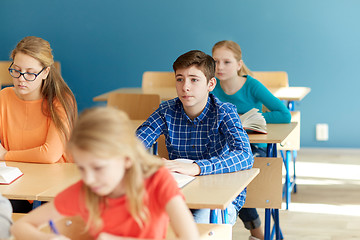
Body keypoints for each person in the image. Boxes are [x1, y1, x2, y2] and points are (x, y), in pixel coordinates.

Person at [11, 107, 199, 240]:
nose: (89, 179)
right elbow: (21, 226)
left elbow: (190, 237)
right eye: (82, 168)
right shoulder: (86, 190)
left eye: (98, 168)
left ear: (126, 159)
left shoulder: (157, 181)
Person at [136, 50, 254, 225]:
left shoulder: (225, 111)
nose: (185, 87)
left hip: (218, 197)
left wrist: (197, 167)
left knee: (198, 227)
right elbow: (135, 144)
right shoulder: (166, 110)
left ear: (211, 84)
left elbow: (245, 155)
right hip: (178, 192)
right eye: (180, 79)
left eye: (194, 79)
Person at [212, 40, 291, 240]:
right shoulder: (211, 86)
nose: (220, 67)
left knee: (237, 176)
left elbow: (284, 114)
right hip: (226, 146)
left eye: (226, 62)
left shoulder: (252, 85)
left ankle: (256, 231)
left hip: (255, 146)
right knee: (223, 176)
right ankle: (220, 229)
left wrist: (249, 120)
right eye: (215, 61)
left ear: (239, 64)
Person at [0, 36, 77, 213]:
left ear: (45, 73)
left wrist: (5, 155)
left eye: (30, 72)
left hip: (54, 186)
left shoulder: (61, 100)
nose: (21, 79)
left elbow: (49, 154)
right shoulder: (4, 97)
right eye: (17, 70)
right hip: (16, 182)